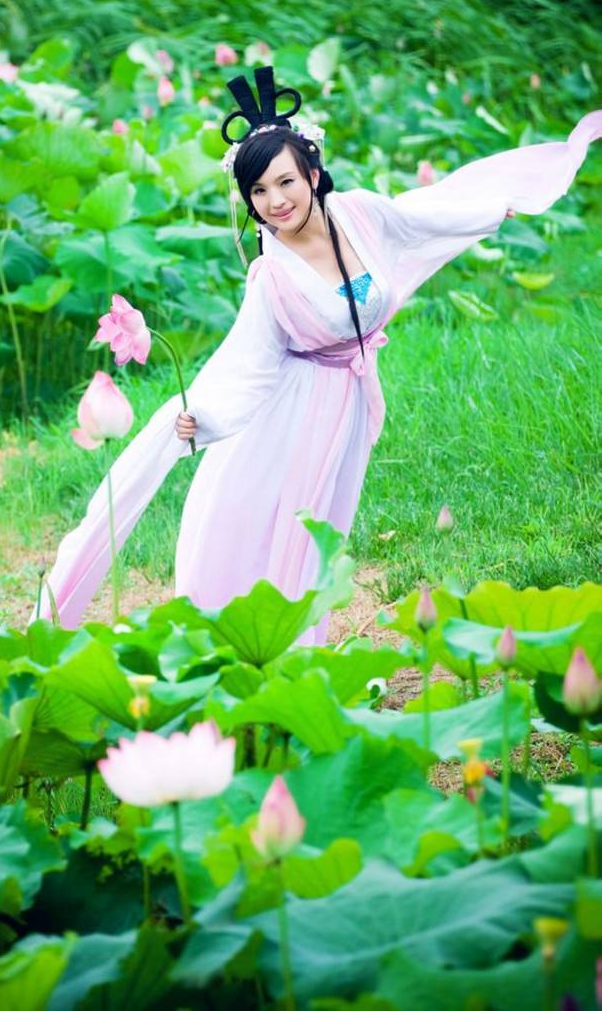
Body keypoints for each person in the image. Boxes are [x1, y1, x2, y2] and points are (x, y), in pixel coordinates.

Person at [37, 66, 600, 642]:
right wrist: (201, 418)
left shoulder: (359, 215)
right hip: (287, 412)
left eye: (285, 182)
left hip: (345, 404)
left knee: (320, 526)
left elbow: (418, 218)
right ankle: (242, 638)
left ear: (312, 173)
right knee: (261, 524)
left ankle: (297, 640)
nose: (275, 201)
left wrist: (488, 212)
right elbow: (248, 366)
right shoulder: (272, 277)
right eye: (259, 191)